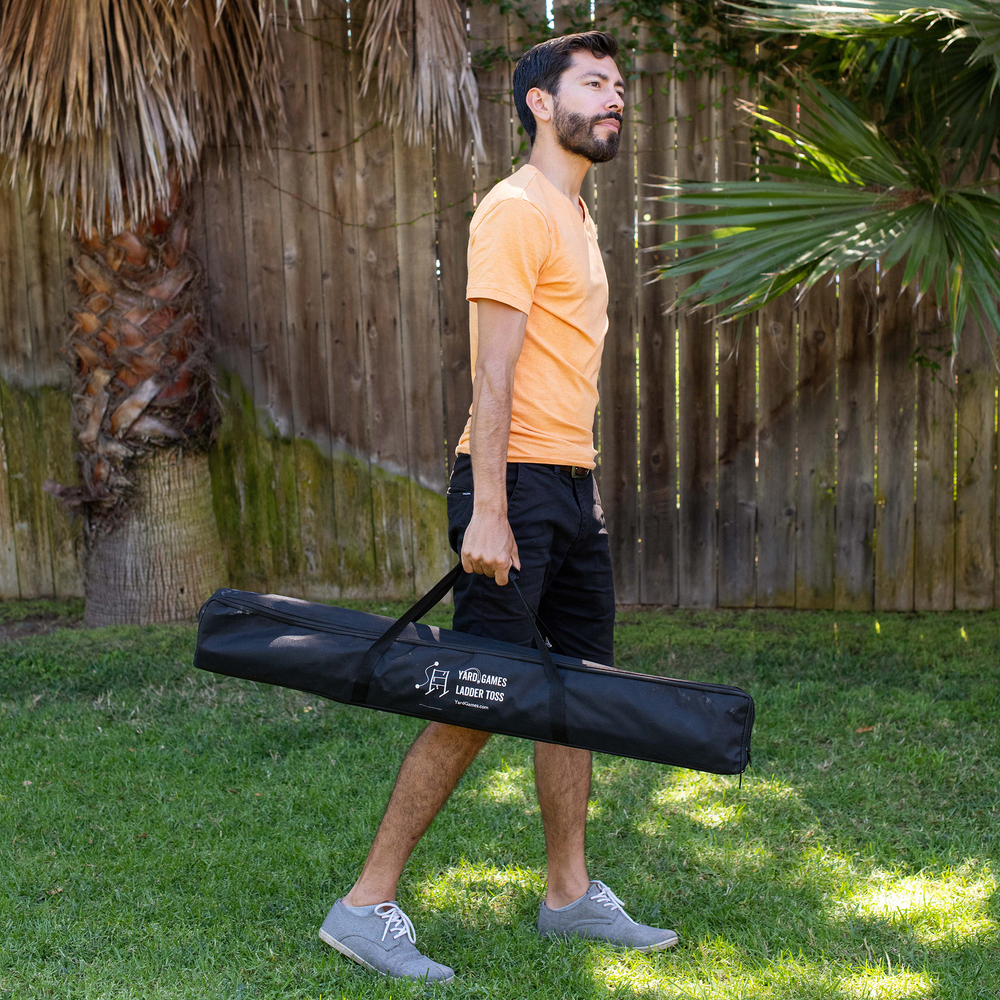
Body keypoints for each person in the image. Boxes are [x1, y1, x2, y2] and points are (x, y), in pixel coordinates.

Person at [318, 31, 678, 983]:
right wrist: (488, 509)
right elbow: (494, 370)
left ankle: (568, 895)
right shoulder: (516, 209)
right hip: (512, 483)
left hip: (569, 485)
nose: (615, 99)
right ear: (539, 103)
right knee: (479, 697)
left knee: (579, 693)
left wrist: (572, 493)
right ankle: (364, 904)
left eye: (619, 86)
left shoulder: (576, 215)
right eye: (594, 84)